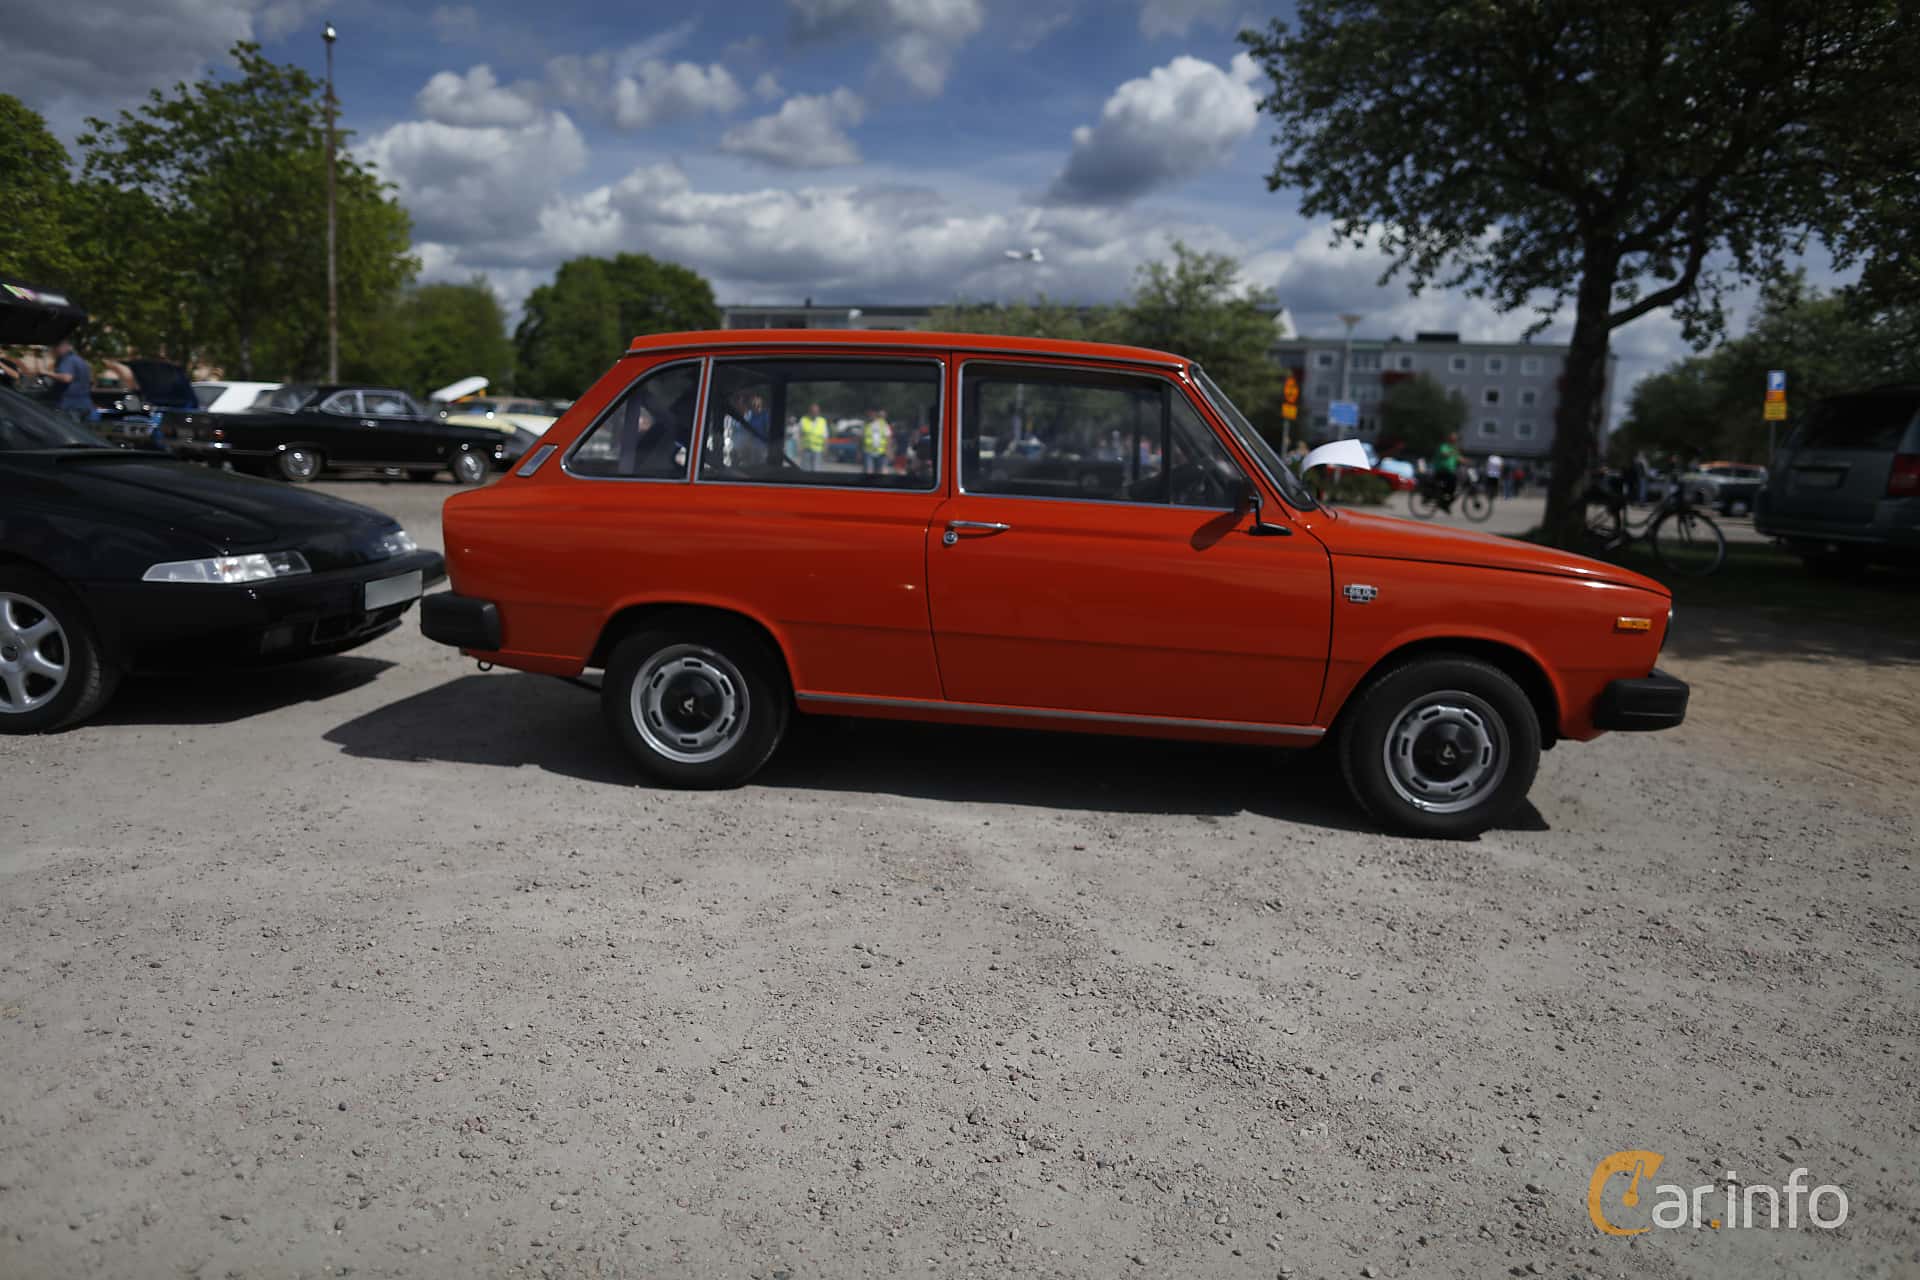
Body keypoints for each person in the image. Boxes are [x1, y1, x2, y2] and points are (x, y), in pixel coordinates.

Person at [47, 339, 92, 422]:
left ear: (62, 347)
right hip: (83, 404)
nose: (53, 350)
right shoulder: (79, 360)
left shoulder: (67, 360)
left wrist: (46, 372)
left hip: (69, 406)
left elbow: (66, 378)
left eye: (54, 348)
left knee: (66, 432)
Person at [861, 407, 893, 476]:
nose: (869, 416)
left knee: (881, 472)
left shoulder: (883, 424)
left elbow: (888, 438)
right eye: (868, 415)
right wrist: (859, 452)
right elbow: (861, 439)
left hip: (881, 452)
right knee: (868, 472)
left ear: (875, 414)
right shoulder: (866, 425)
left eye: (871, 414)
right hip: (868, 452)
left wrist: (889, 450)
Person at [798, 402, 828, 471]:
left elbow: (825, 437)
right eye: (813, 411)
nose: (815, 413)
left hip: (818, 450)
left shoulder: (822, 421)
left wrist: (825, 450)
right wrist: (799, 447)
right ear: (810, 411)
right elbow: (799, 435)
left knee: (816, 470)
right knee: (805, 470)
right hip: (806, 450)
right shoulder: (803, 420)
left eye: (816, 411)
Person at [1431, 431, 1461, 497]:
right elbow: (1444, 454)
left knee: (1455, 481)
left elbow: (1458, 458)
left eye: (1455, 439)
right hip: (1442, 470)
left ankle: (1447, 496)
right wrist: (1453, 450)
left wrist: (1469, 461)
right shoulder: (1444, 446)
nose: (1455, 441)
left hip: (1449, 470)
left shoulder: (1453, 448)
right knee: (1453, 479)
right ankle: (1445, 495)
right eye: (1453, 439)